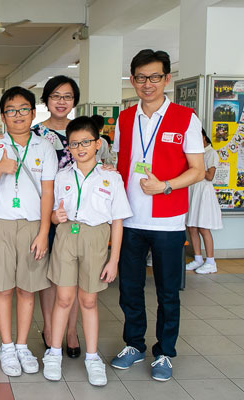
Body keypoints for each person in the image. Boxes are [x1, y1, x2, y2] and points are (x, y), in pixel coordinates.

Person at [110, 49, 205, 381]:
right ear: (132, 80)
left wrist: (165, 186)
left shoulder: (185, 118)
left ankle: (165, 352)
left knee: (167, 292)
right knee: (130, 289)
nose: (147, 84)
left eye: (154, 77)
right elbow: (120, 162)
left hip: (168, 220)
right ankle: (134, 345)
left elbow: (198, 170)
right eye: (140, 78)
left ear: (167, 79)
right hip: (129, 220)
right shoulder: (125, 118)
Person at [42, 116, 132, 386]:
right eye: (74, 143)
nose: (80, 148)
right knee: (63, 299)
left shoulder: (111, 178)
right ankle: (54, 353)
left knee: (89, 301)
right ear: (68, 147)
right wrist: (56, 217)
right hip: (66, 237)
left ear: (97, 144)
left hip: (96, 238)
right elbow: (53, 214)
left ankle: (93, 358)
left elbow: (118, 221)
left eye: (86, 142)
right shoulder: (62, 176)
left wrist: (114, 260)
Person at [0, 86, 56, 377]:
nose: (18, 115)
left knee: (27, 288)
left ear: (33, 113)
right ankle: (7, 346)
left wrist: (43, 232)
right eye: (11, 110)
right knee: (3, 288)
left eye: (23, 109)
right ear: (3, 116)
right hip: (0, 223)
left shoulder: (44, 147)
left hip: (33, 225)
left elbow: (48, 194)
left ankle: (22, 345)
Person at [31, 75, 81, 357]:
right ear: (46, 100)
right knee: (48, 274)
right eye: (56, 96)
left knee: (72, 276)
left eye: (68, 96)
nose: (61, 101)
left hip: (77, 215)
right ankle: (50, 329)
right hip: (45, 213)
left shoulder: (82, 130)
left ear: (75, 101)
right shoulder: (35, 133)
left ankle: (71, 331)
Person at [186, 129, 222, 274]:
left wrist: (198, 164)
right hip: (193, 190)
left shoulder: (210, 153)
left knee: (203, 227)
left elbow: (210, 176)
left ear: (204, 137)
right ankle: (198, 258)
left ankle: (211, 261)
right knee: (192, 227)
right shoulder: (194, 153)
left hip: (204, 192)